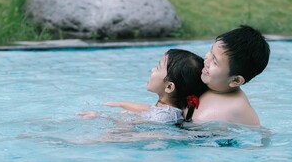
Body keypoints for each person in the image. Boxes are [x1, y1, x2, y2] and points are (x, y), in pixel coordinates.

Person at [78, 49, 207, 124]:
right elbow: (148, 109)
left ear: (169, 87)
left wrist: (102, 117)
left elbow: (135, 124)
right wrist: (121, 104)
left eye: (157, 68)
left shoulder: (163, 117)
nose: (152, 70)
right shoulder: (168, 109)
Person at [189, 25, 270, 127]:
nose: (207, 58)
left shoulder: (232, 109)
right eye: (210, 51)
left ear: (235, 80)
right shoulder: (216, 83)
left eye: (215, 61)